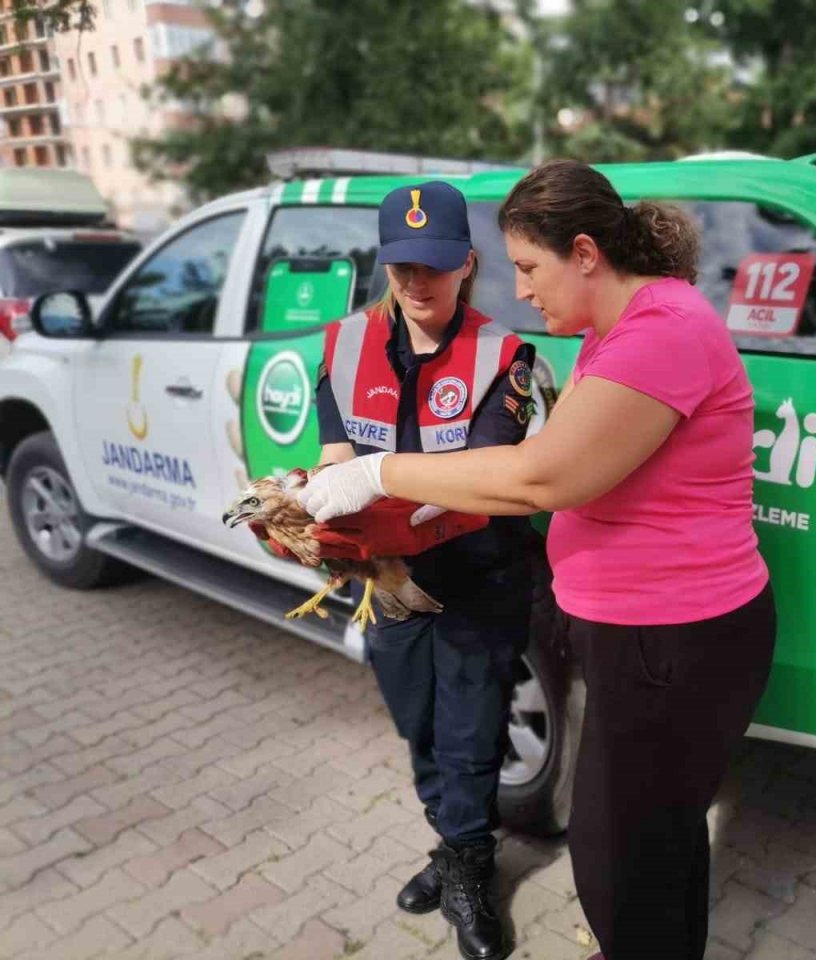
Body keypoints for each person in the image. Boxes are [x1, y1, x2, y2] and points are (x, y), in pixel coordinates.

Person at [296, 159, 776, 960]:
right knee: (649, 845)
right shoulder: (616, 331)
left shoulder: (661, 332)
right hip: (642, 633)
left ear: (584, 253)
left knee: (620, 856)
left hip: (671, 634)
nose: (520, 290)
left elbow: (541, 477)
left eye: (527, 266)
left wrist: (379, 475)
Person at [309, 181, 535, 960]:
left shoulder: (503, 355)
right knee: (420, 727)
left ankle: (471, 868)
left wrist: (378, 488)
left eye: (435, 265)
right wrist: (307, 515)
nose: (417, 281)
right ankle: (452, 841)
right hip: (390, 582)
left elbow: (482, 480)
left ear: (467, 264)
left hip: (478, 574)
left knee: (470, 733)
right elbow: (336, 457)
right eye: (403, 264)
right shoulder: (342, 347)